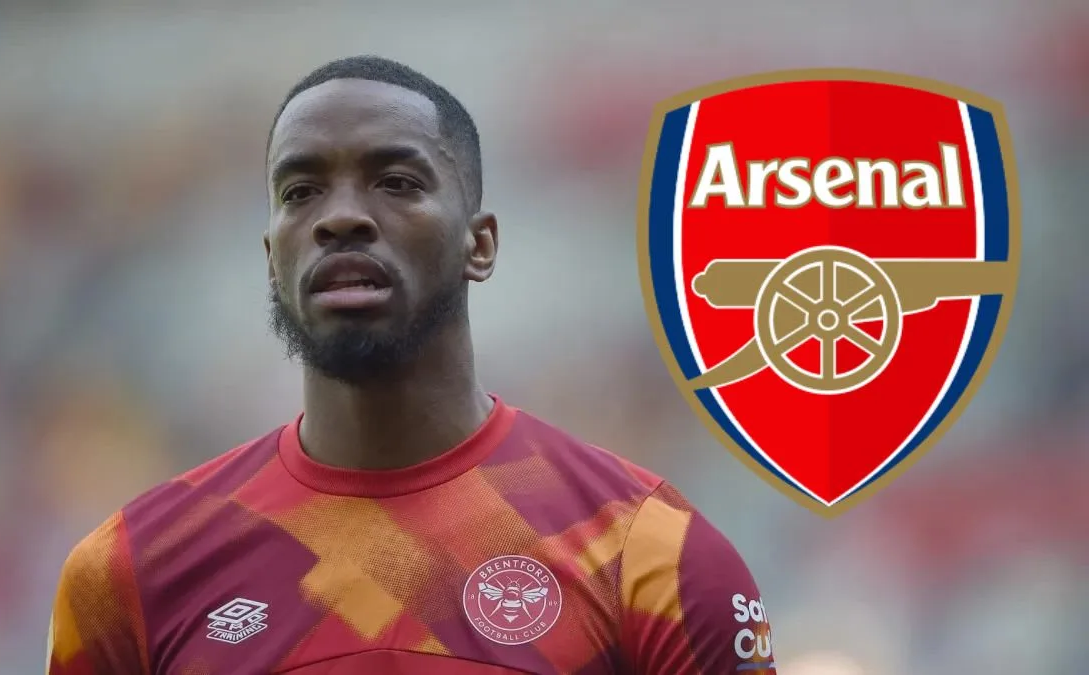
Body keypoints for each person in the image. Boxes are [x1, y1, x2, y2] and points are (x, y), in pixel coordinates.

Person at [45, 55, 777, 675]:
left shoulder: (648, 556)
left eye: (396, 182)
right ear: (272, 256)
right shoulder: (132, 572)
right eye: (300, 192)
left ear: (479, 244)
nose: (339, 217)